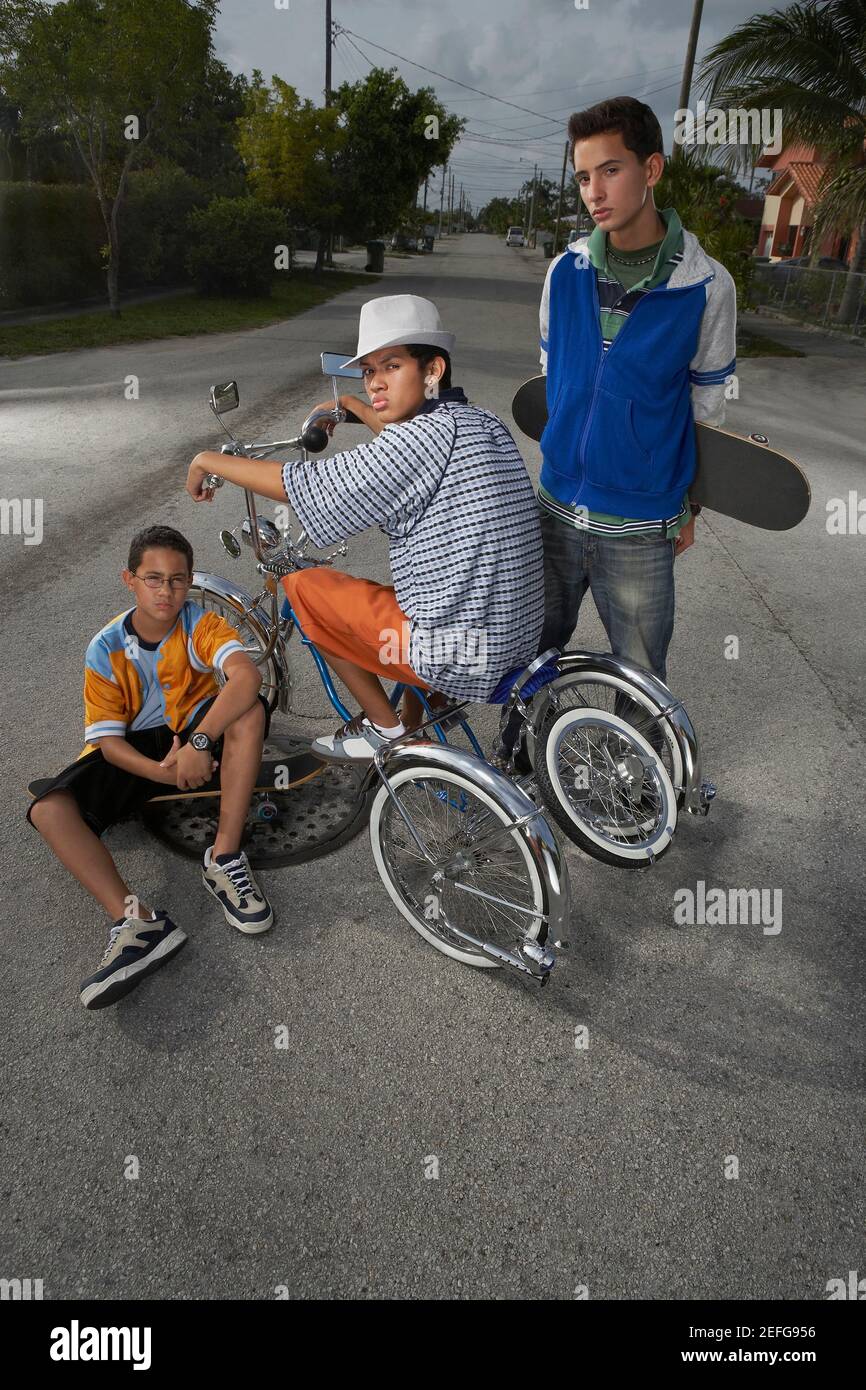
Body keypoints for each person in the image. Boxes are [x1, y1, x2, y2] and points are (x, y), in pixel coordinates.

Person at [186, 294, 546, 761]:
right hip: (513, 638)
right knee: (402, 591)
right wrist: (358, 407)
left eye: (391, 367)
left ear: (433, 370)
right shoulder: (476, 420)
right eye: (368, 372)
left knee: (304, 586)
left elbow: (305, 485)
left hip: (459, 649)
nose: (376, 382)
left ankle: (386, 728)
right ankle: (425, 713)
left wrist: (208, 459)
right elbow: (413, 453)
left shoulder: (417, 439)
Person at [499, 95, 737, 767]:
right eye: (582, 177)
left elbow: (706, 406)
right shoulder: (565, 270)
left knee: (637, 668)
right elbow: (557, 377)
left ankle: (629, 783)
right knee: (535, 642)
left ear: (652, 168)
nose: (594, 192)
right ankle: (521, 753)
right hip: (556, 502)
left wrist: (690, 503)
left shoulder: (707, 286)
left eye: (610, 171)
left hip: (638, 521)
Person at [26, 525, 274, 1010]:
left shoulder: (202, 625)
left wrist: (200, 743)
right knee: (48, 810)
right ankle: (138, 922)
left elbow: (247, 675)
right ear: (130, 580)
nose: (167, 591)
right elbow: (108, 743)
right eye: (153, 579)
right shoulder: (104, 646)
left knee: (249, 708)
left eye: (178, 580)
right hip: (141, 752)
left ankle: (223, 857)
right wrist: (164, 772)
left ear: (189, 581)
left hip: (199, 734)